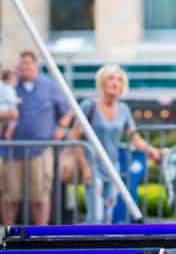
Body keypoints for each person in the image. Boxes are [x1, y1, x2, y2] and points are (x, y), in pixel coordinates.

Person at [69, 65, 161, 224]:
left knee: (108, 214)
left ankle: (104, 248)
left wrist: (151, 150)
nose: (115, 83)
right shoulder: (88, 106)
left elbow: (135, 139)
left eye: (119, 79)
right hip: (93, 167)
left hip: (113, 167)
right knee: (95, 215)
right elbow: (75, 138)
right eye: (111, 78)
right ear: (102, 82)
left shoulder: (124, 109)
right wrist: (84, 167)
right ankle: (86, 246)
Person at [0, 51, 72, 226]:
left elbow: (68, 110)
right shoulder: (9, 87)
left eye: (27, 63)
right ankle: (8, 235)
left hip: (40, 150)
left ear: (35, 65)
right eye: (21, 64)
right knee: (10, 195)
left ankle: (41, 233)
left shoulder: (50, 86)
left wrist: (61, 128)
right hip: (12, 151)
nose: (23, 67)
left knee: (40, 195)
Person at [0, 68, 20, 140]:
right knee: (13, 121)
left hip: (4, 108)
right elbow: (11, 99)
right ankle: (8, 134)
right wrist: (18, 100)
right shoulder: (9, 88)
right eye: (14, 79)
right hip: (8, 108)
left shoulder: (4, 87)